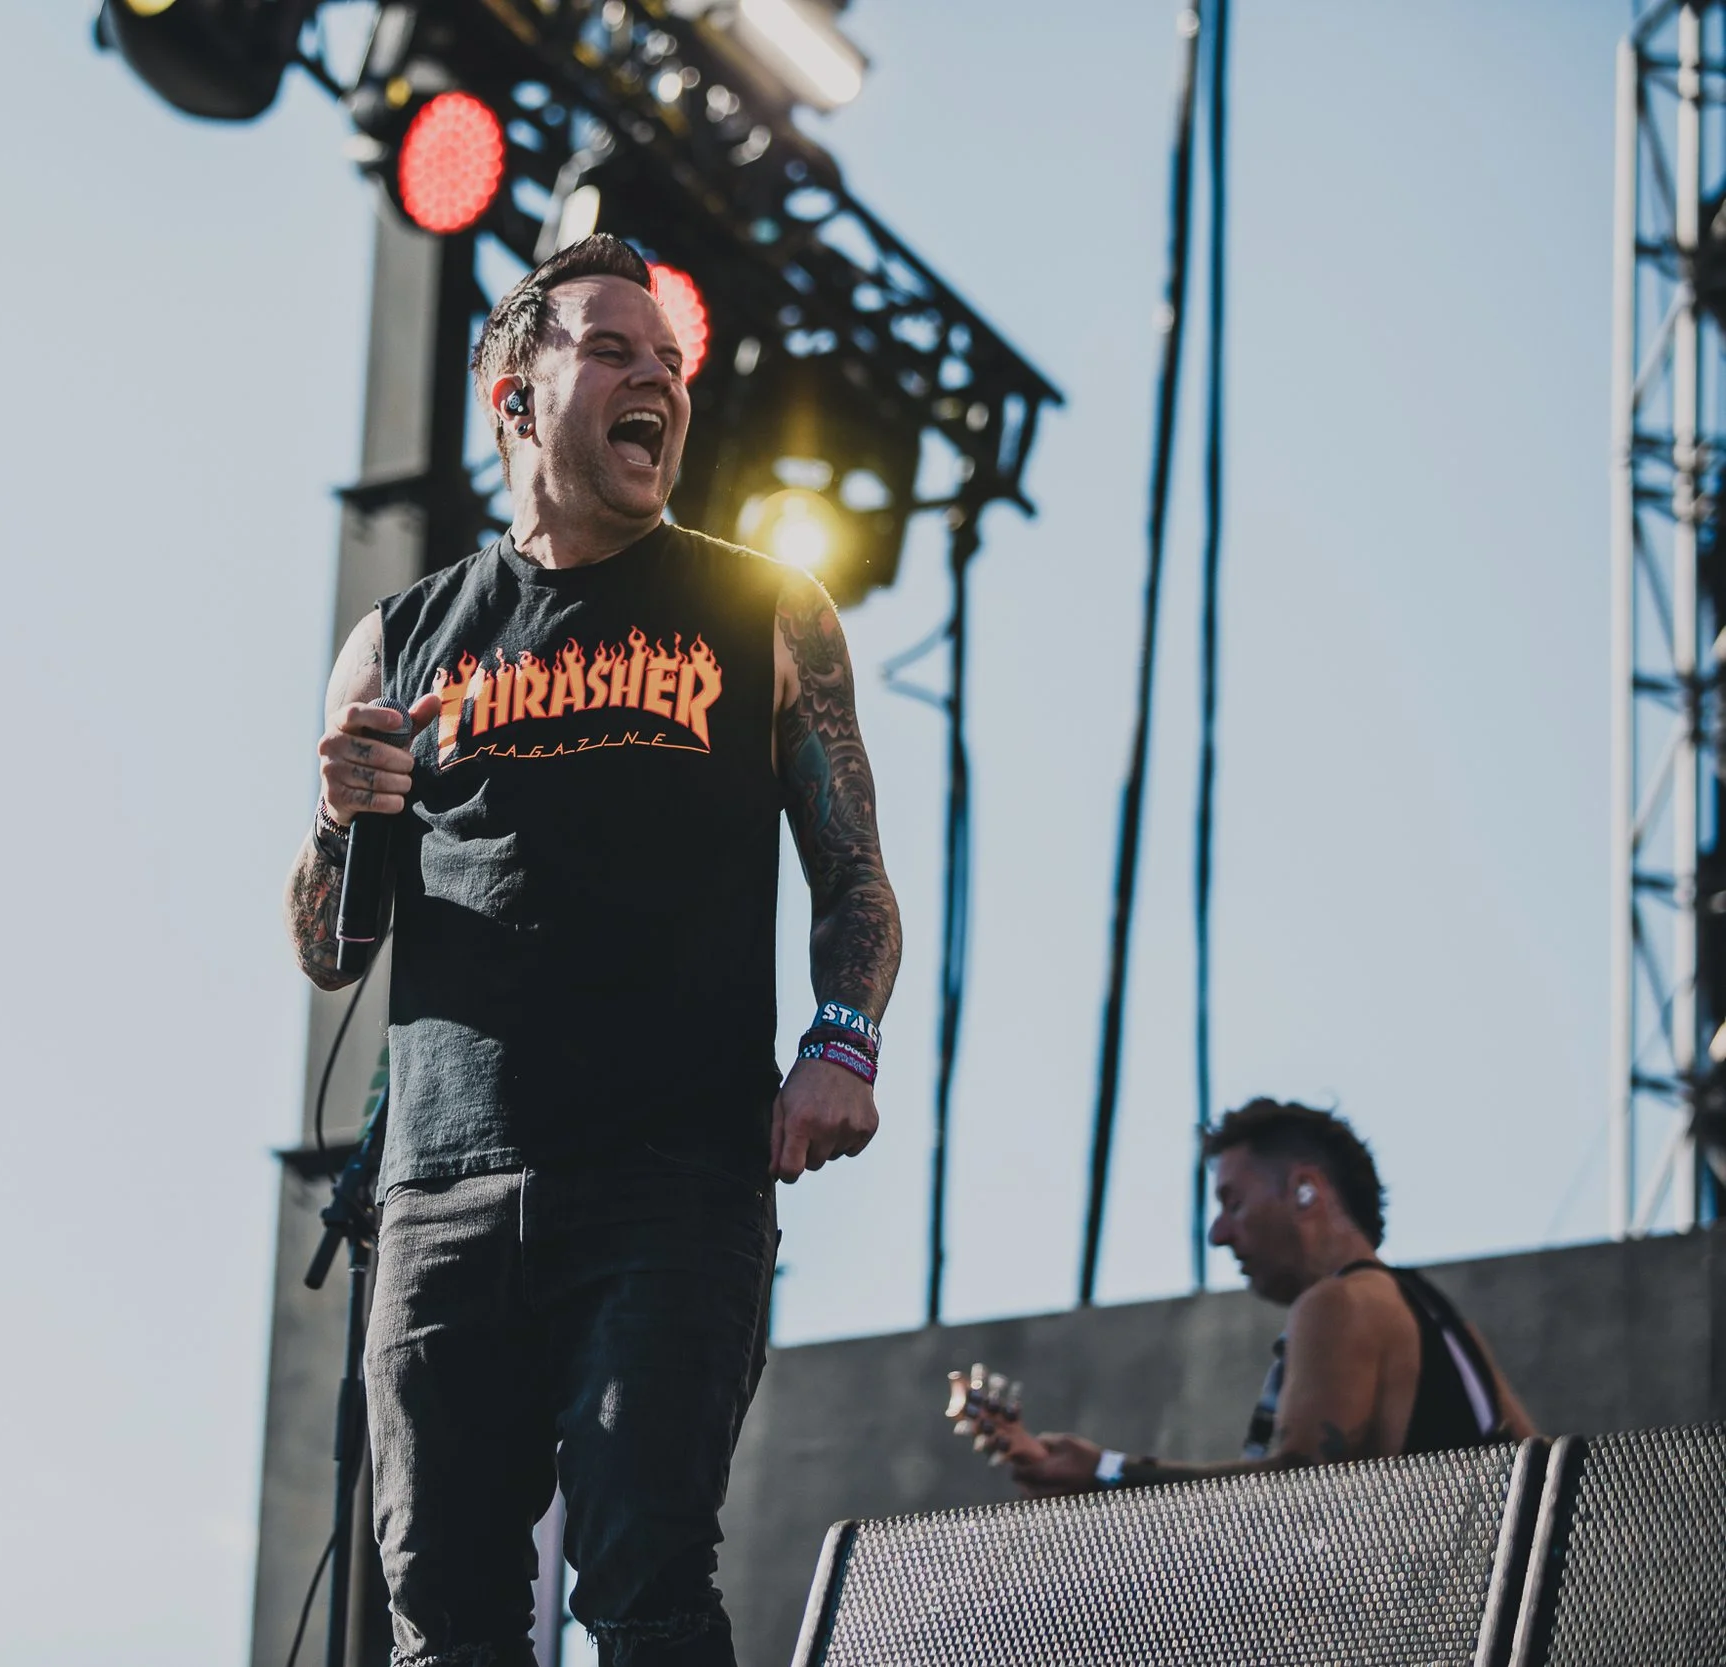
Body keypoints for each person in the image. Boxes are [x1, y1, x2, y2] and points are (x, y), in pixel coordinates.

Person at [283, 234, 902, 1667]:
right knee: (441, 1614)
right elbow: (332, 947)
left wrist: (841, 1043)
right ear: (515, 397)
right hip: (442, 1187)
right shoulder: (399, 640)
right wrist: (335, 818)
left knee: (643, 1578)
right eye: (613, 351)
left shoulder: (765, 609)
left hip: (669, 1177)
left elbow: (854, 874)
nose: (657, 383)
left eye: (669, 364)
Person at [1006, 1099, 1535, 1497]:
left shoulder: (1338, 1304)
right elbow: (1537, 1471)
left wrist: (1104, 1472)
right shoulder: (1443, 1321)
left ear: (1305, 1190)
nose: (1217, 1233)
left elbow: (1293, 1495)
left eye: (1233, 1203)